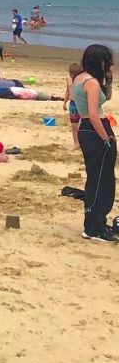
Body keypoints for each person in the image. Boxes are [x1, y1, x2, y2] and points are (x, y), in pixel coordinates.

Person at [70, 44, 115, 243]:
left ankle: (95, 221)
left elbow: (106, 98)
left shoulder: (78, 78)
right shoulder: (91, 82)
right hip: (95, 128)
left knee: (96, 176)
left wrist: (109, 78)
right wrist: (105, 137)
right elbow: (94, 114)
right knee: (102, 179)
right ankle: (93, 226)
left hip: (85, 128)